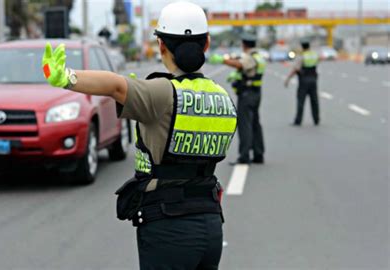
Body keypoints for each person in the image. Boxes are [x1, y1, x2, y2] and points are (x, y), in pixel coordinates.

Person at [42, 1, 237, 269]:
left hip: (169, 228)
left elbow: (114, 86)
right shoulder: (222, 96)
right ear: (206, 45)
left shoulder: (161, 93)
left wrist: (66, 77)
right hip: (210, 223)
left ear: (161, 46)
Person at [210, 33, 266, 164]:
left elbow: (240, 65)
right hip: (256, 93)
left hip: (247, 94)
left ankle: (244, 156)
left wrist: (222, 60)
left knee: (245, 125)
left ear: (244, 44)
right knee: (255, 123)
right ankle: (259, 154)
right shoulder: (259, 56)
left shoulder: (250, 57)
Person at [285, 37, 320, 126]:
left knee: (301, 101)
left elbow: (296, 69)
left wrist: (288, 79)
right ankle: (316, 119)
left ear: (302, 46)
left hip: (304, 81)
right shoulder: (314, 55)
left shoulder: (302, 56)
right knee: (314, 101)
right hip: (314, 80)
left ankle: (298, 120)